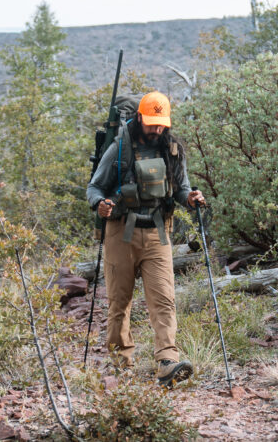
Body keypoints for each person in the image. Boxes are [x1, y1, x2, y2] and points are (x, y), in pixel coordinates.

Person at [87, 91, 205, 386]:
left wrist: (190, 198)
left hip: (157, 233)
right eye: (151, 123)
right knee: (118, 304)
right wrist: (99, 204)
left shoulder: (173, 148)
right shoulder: (119, 147)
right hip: (120, 233)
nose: (156, 129)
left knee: (164, 299)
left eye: (161, 124)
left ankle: (167, 361)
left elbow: (180, 189)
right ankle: (121, 365)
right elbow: (93, 188)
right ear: (139, 117)